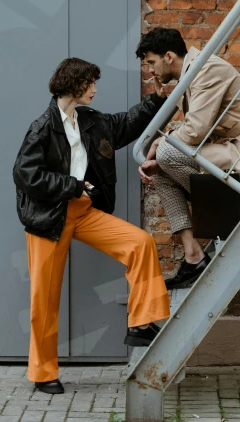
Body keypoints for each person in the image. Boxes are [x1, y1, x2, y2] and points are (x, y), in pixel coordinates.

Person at [13, 57, 170, 395]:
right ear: (74, 86)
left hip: (83, 211)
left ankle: (141, 321)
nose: (96, 90)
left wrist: (156, 99)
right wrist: (70, 186)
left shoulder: (90, 121)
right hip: (50, 219)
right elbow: (25, 175)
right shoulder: (43, 127)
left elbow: (126, 123)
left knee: (139, 242)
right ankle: (43, 373)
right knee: (45, 299)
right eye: (91, 84)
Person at [136, 28, 240, 289]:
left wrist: (163, 138)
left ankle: (223, 201)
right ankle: (194, 256)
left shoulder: (206, 69)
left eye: (151, 62)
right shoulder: (189, 76)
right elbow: (193, 131)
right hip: (227, 149)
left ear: (169, 56)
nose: (150, 71)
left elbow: (194, 131)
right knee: (158, 169)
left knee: (166, 152)